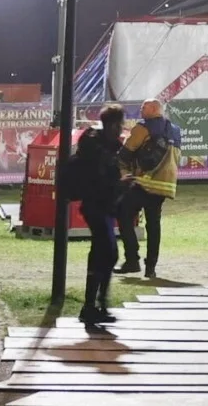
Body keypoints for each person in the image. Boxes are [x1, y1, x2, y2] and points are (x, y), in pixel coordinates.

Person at [72, 105, 127, 325]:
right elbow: (101, 180)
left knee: (105, 253)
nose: (122, 128)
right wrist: (120, 184)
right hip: (97, 205)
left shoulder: (102, 144)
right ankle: (92, 305)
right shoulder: (99, 147)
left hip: (101, 205)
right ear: (113, 124)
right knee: (106, 253)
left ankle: (97, 303)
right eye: (121, 124)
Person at [116, 99, 182, 277]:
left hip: (143, 182)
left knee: (123, 214)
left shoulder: (143, 128)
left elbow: (125, 153)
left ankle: (132, 260)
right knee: (154, 225)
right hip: (164, 187)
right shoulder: (175, 131)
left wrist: (123, 170)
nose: (141, 109)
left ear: (154, 109)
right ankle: (151, 267)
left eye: (144, 107)